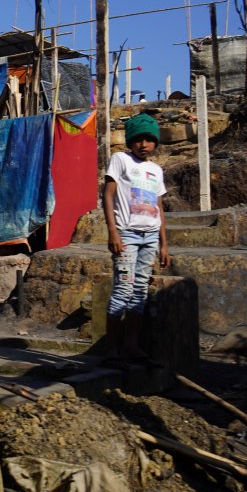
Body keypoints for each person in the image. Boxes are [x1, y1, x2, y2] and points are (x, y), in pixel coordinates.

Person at [103, 113, 170, 364]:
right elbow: (108, 196)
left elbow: (159, 207)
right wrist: (113, 231)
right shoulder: (120, 159)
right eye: (138, 140)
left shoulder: (156, 170)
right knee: (123, 289)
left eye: (149, 140)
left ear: (155, 142)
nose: (143, 145)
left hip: (150, 236)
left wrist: (164, 244)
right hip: (127, 234)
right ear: (130, 141)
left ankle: (130, 346)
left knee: (140, 291)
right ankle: (111, 348)